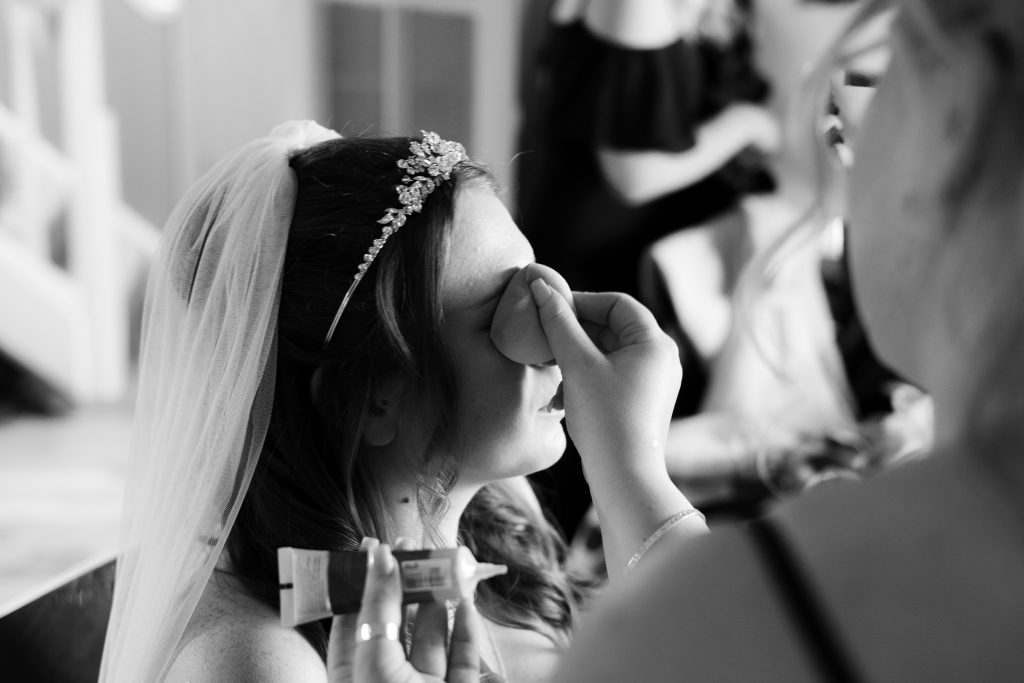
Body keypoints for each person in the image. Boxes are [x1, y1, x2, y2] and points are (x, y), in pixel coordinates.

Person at [354, 0, 1024, 679]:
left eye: (853, 105)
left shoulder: (724, 619)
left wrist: (636, 479)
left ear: (954, 123)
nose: (841, 151)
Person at [98, 123, 705, 681]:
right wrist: (635, 470)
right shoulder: (258, 662)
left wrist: (629, 466)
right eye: (505, 312)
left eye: (543, 285)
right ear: (374, 402)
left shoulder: (501, 542)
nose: (557, 339)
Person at [518, 0, 780, 537]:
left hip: (620, 251)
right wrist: (747, 124)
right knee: (580, 429)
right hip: (597, 258)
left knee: (597, 428)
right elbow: (633, 174)